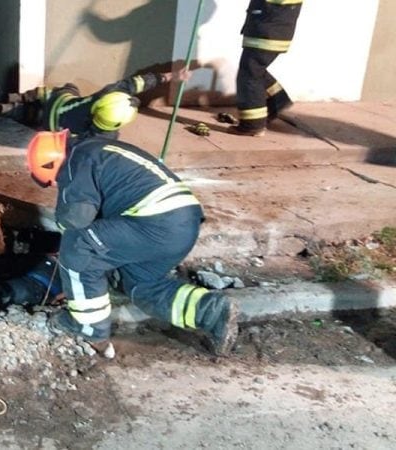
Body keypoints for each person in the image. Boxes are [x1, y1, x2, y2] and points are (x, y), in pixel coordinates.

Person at [26, 129, 239, 358]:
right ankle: (212, 311)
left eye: (55, 181)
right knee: (142, 286)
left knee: (78, 245)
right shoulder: (97, 149)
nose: (59, 184)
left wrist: (62, 229)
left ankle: (87, 327)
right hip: (183, 225)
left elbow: (76, 218)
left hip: (156, 222)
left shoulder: (76, 160)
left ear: (50, 164)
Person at [2, 68, 190, 139]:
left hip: (59, 102)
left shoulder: (110, 93)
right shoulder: (105, 134)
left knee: (68, 87)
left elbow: (138, 82)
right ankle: (14, 111)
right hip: (52, 127)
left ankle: (19, 99)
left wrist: (172, 76)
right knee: (34, 117)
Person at [229, 0, 303, 137]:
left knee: (249, 75)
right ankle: (278, 101)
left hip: (267, 29)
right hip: (273, 28)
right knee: (255, 70)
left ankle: (252, 125)